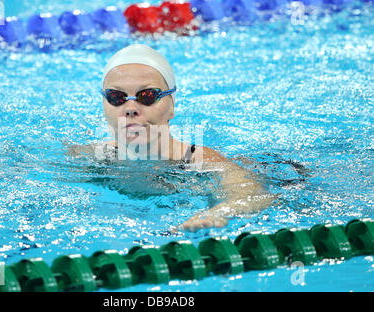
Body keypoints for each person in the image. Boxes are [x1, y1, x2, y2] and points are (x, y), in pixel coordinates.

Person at [68, 44, 276, 232]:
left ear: (172, 105)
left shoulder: (198, 161)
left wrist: (219, 212)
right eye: (116, 97)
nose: (130, 109)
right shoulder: (91, 157)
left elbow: (252, 195)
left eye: (147, 96)